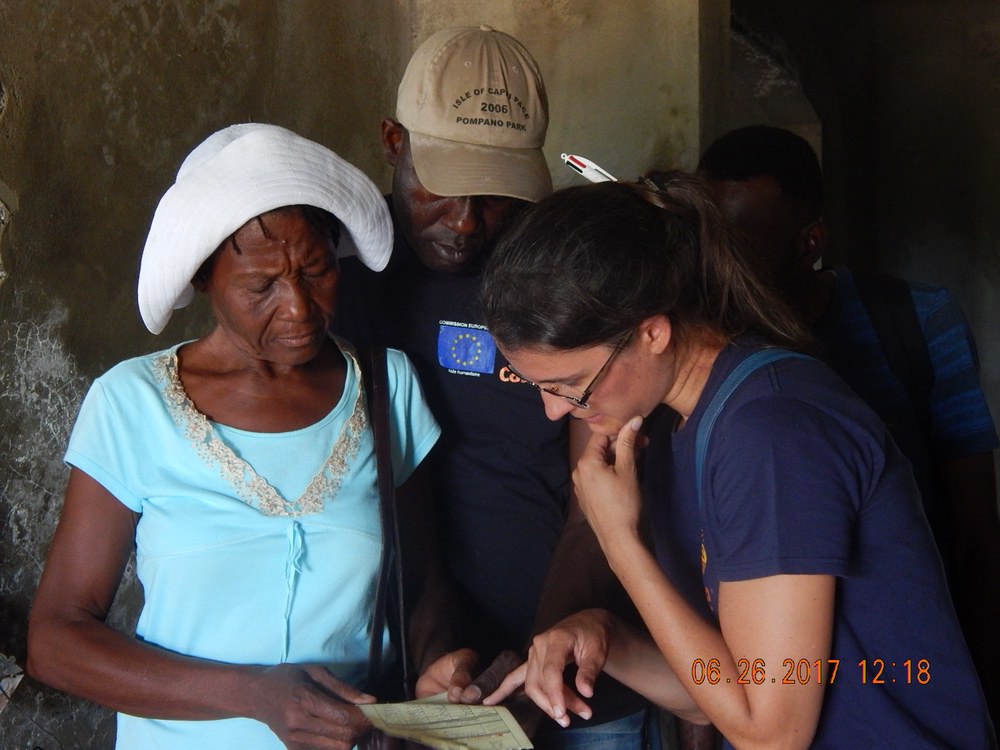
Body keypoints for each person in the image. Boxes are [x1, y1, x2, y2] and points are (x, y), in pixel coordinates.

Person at [479, 175, 996, 748]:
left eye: (571, 384)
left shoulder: (770, 433)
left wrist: (618, 540)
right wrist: (607, 637)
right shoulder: (685, 424)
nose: (555, 412)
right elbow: (717, 697)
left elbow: (771, 733)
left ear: (651, 332)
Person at [26, 123, 444, 749]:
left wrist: (442, 664)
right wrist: (252, 696)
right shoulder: (133, 403)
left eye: (318, 272)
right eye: (261, 285)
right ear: (203, 279)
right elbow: (56, 641)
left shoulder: (387, 391)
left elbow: (425, 584)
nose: (299, 308)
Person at [333, 25, 652, 749]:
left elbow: (594, 493)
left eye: (498, 192)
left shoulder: (563, 269)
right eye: (443, 185)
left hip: (575, 683)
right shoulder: (341, 275)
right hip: (412, 677)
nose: (468, 220)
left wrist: (540, 671)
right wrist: (430, 661)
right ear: (391, 140)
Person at [696, 124, 1000, 720]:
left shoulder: (916, 322)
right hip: (764, 671)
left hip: (901, 666)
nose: (715, 266)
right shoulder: (703, 346)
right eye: (707, 240)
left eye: (740, 244)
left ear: (809, 242)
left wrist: (984, 696)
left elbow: (973, 531)